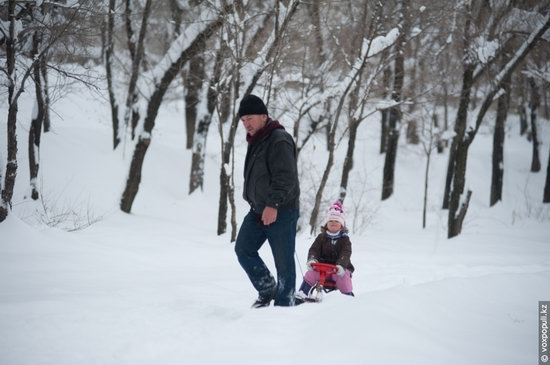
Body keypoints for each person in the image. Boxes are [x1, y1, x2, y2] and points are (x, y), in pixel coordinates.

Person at [234, 94, 300, 308]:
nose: (246, 124)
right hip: (258, 210)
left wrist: (273, 205)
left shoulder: (278, 139)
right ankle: (267, 289)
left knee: (284, 263)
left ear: (264, 116)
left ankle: (284, 304)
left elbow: (286, 177)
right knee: (243, 249)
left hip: (280, 211)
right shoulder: (258, 139)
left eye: (250, 118)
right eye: (243, 120)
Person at [296, 201, 354, 300]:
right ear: (326, 224)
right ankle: (302, 293)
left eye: (337, 221)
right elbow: (314, 249)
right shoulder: (321, 237)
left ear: (342, 225)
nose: (333, 223)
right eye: (330, 221)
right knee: (310, 274)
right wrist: (312, 260)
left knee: (344, 279)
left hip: (338, 270)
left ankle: (348, 298)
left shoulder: (345, 240)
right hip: (321, 268)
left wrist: (340, 265)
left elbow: (346, 253)